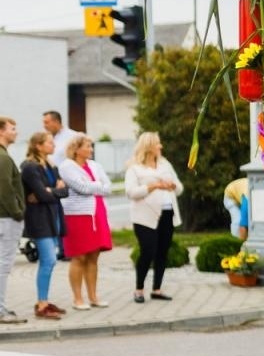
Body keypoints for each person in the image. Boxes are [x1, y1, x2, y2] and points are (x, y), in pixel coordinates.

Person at [125, 131, 184, 303]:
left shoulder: (165, 164)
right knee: (147, 251)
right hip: (144, 216)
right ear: (149, 147)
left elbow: (179, 188)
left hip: (167, 213)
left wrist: (172, 186)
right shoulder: (134, 168)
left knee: (162, 252)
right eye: (158, 143)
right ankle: (139, 289)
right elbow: (131, 193)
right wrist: (154, 186)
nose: (161, 146)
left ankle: (157, 289)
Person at [59, 135, 113, 310]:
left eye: (91, 146)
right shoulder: (67, 166)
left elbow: (109, 187)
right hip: (77, 215)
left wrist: (92, 185)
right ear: (76, 148)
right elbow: (81, 188)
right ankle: (77, 299)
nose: (91, 149)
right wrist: (97, 186)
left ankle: (93, 297)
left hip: (97, 213)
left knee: (93, 256)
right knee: (79, 256)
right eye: (88, 146)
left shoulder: (95, 166)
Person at [19, 131, 67, 320]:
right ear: (38, 145)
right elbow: (44, 194)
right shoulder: (30, 167)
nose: (53, 145)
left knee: (49, 261)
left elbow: (65, 191)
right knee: (49, 260)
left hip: (52, 216)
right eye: (49, 142)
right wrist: (54, 191)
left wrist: (51, 191)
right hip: (39, 220)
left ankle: (44, 301)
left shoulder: (51, 165)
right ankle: (41, 304)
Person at [0, 117, 25, 324]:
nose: (16, 132)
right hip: (6, 218)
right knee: (3, 266)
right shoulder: (3, 158)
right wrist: (17, 212)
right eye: (12, 129)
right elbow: (5, 189)